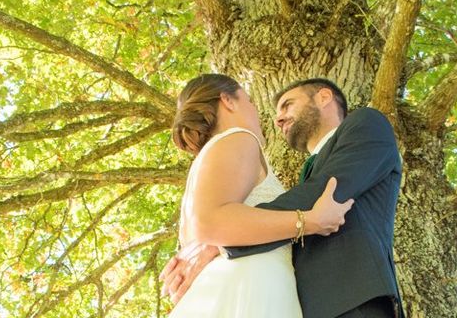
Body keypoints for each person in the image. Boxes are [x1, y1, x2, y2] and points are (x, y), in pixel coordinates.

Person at [162, 78, 405, 318]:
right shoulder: (238, 144)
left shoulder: (366, 123)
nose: (276, 119)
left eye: (288, 104)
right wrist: (222, 233)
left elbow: (327, 190)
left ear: (324, 97)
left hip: (351, 300)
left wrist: (221, 241)